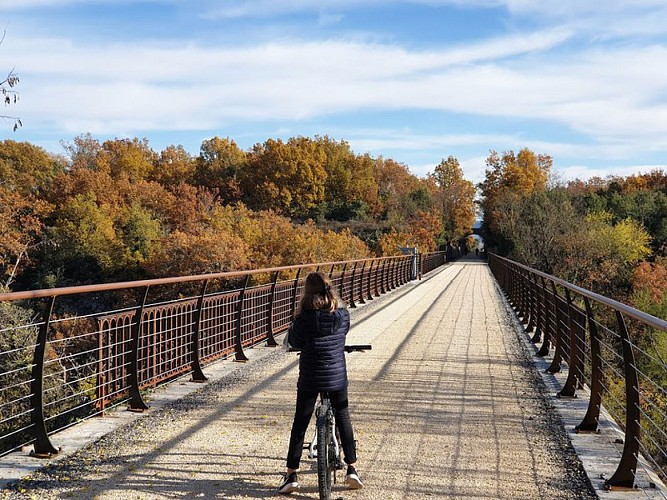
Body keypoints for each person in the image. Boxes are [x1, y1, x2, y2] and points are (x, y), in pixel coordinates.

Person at [278, 271, 363, 495]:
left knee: (301, 422)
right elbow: (344, 333)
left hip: (310, 377)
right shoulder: (341, 315)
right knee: (343, 416)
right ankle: (352, 469)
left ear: (306, 292)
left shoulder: (303, 318)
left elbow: (294, 342)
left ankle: (291, 474)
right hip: (336, 376)